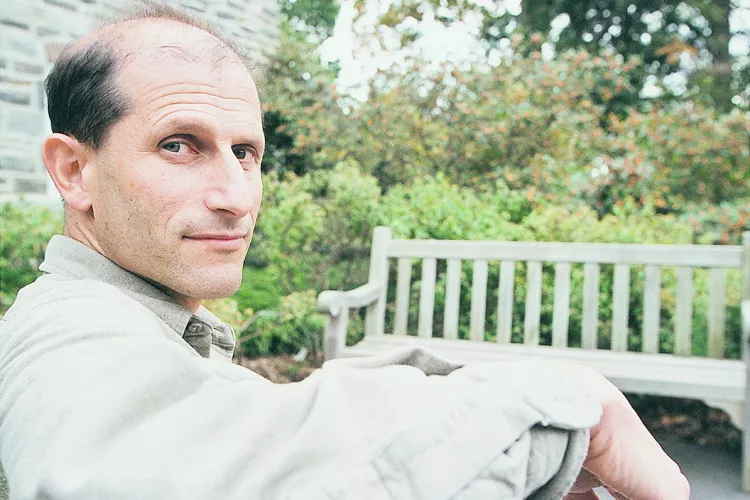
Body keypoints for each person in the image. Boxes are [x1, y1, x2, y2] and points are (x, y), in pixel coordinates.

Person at [0, 4, 689, 500]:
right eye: (180, 145)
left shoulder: (149, 322)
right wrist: (567, 408)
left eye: (246, 152)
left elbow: (254, 416)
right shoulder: (63, 329)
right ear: (73, 171)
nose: (236, 197)